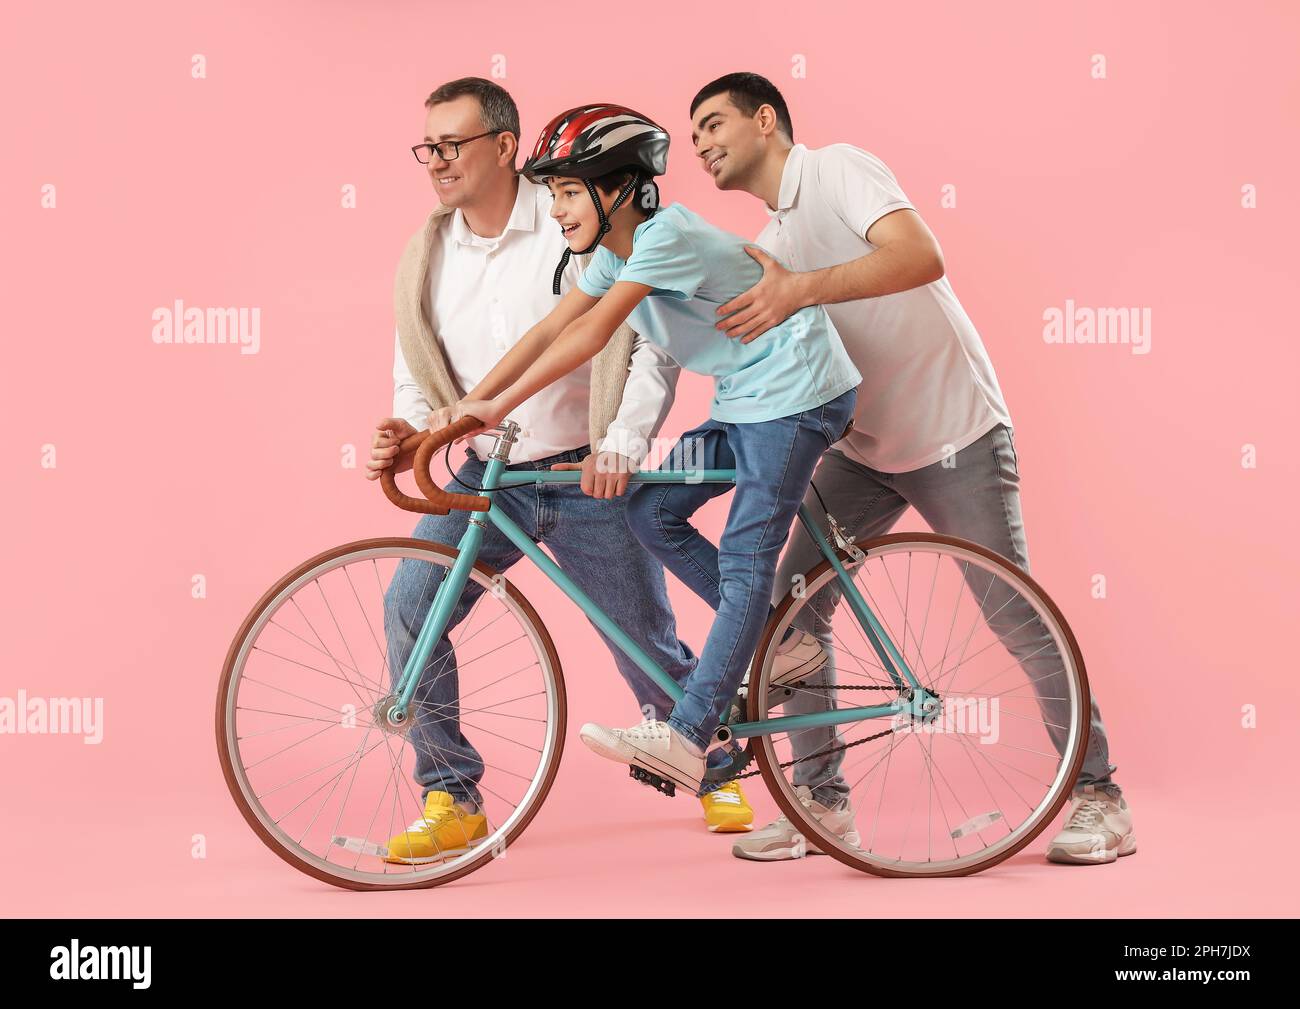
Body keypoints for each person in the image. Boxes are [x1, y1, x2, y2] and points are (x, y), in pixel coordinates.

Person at [688, 72, 1135, 866]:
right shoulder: (770, 248)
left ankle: (1100, 794)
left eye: (714, 123)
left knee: (1013, 612)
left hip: (954, 432)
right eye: (693, 137)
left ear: (766, 120)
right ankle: (822, 807)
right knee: (790, 613)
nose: (702, 144)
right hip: (861, 451)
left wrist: (799, 291)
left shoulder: (838, 169)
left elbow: (920, 255)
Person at [444, 103, 861, 798]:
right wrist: (476, 401)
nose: (556, 210)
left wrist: (497, 403)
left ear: (622, 191)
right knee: (651, 507)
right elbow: (555, 326)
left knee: (745, 555)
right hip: (748, 397)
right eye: (552, 194)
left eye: (571, 192)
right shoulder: (616, 254)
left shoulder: (665, 238)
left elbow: (590, 335)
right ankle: (783, 646)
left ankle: (689, 737)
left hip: (797, 395)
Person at [365, 79, 703, 863]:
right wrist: (410, 428)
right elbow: (417, 367)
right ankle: (451, 794)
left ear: (505, 146)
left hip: (586, 474)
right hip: (487, 478)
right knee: (411, 608)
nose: (437, 161)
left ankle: (708, 750)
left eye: (453, 144)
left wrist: (623, 440)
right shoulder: (428, 251)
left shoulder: (572, 215)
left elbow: (648, 336)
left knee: (642, 643)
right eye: (429, 147)